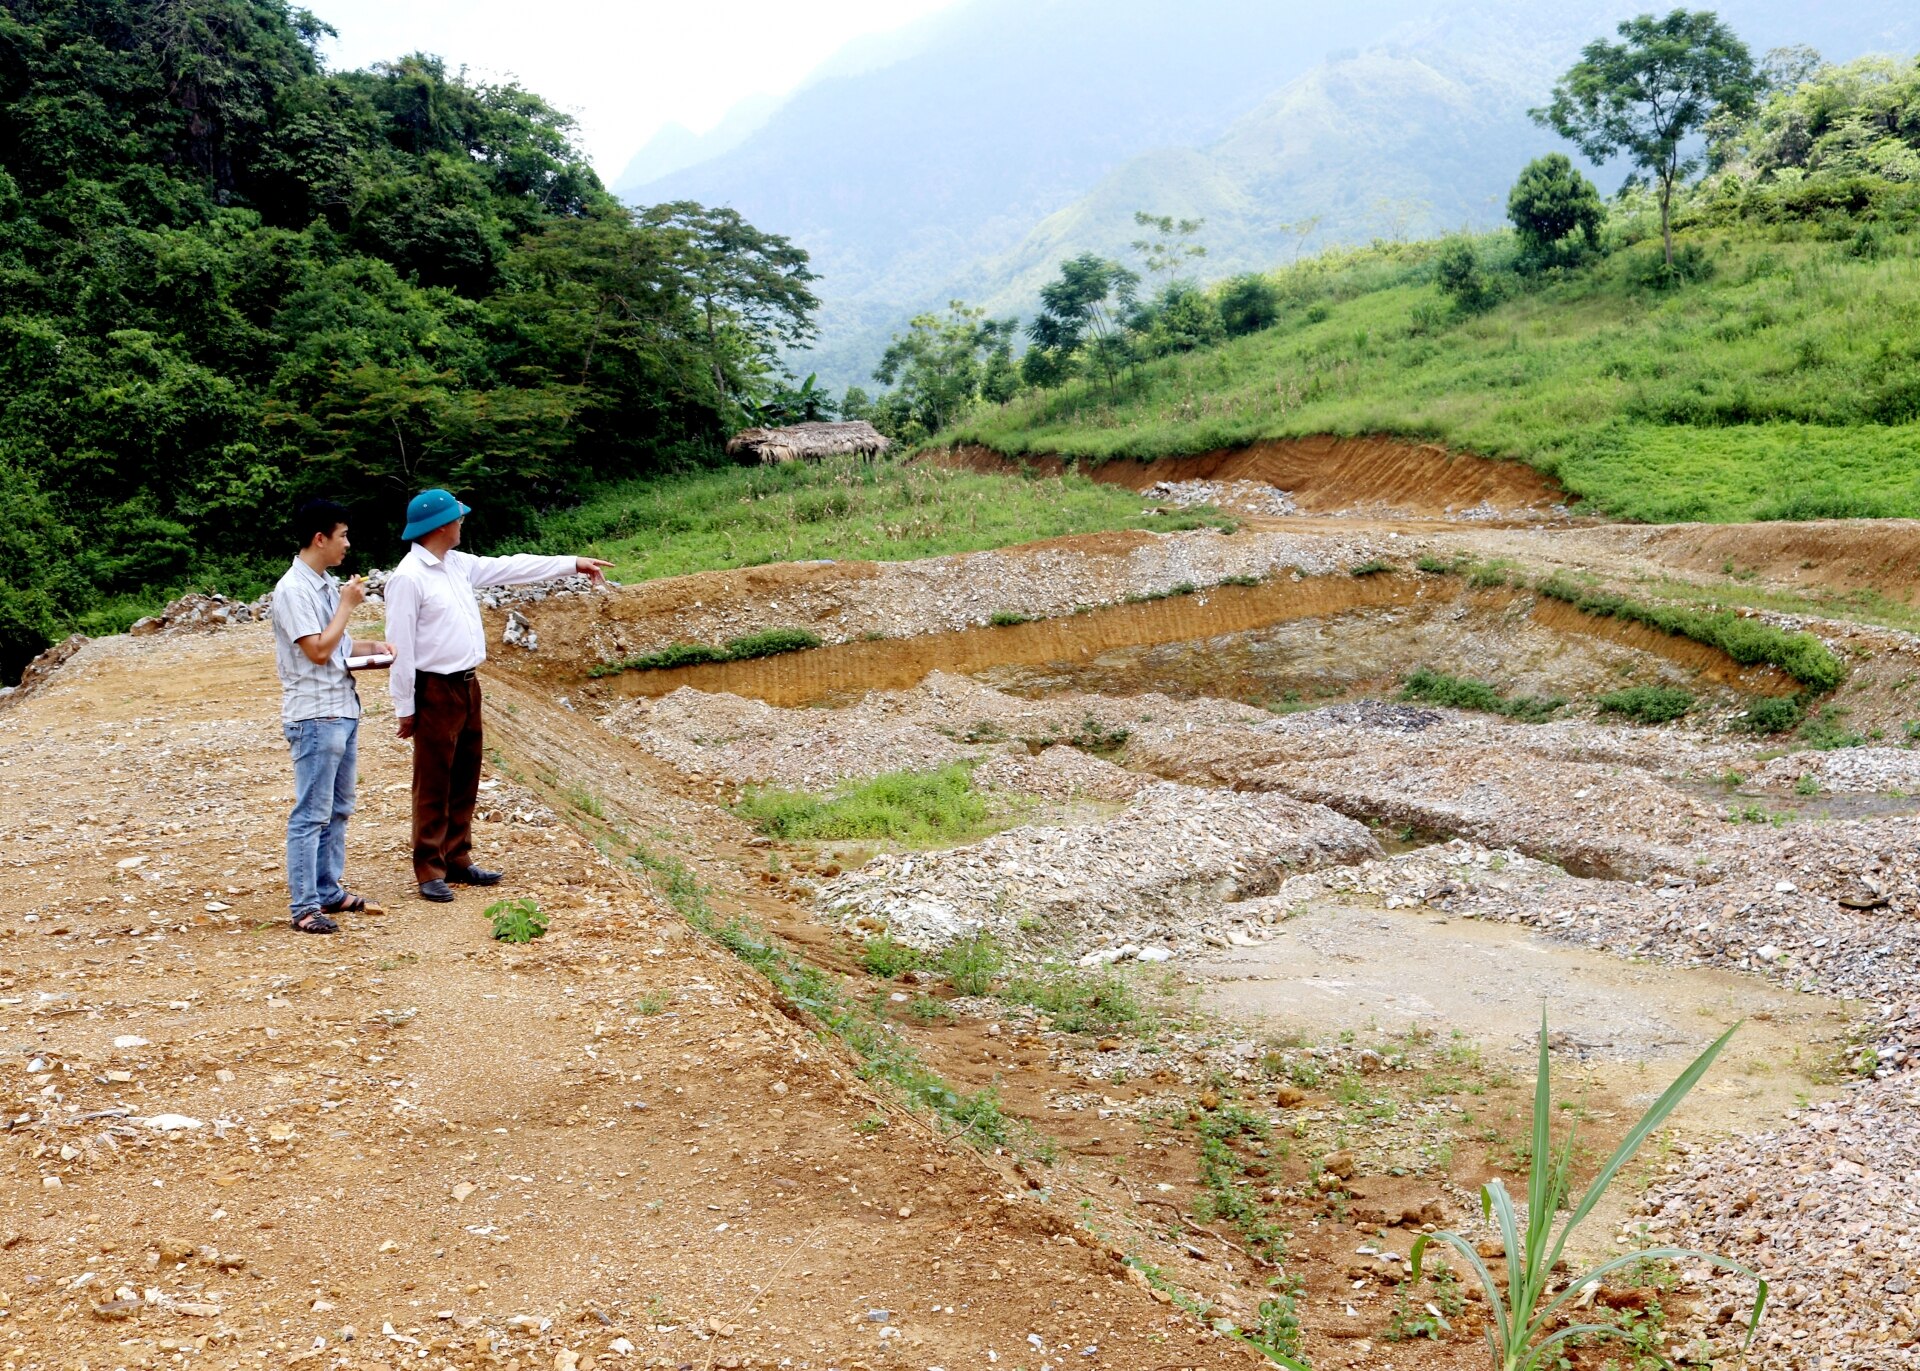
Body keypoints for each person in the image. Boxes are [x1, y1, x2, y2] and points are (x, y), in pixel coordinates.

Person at [385, 489, 613, 902]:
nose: (462, 523)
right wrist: (406, 707)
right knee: (434, 780)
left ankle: (457, 857)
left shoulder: (457, 564)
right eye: (457, 517)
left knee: (466, 773)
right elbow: (399, 648)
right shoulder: (408, 578)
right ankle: (429, 868)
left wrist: (572, 564)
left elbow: (511, 567)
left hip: (469, 685)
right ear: (440, 526)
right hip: (434, 688)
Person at [271, 498, 392, 935]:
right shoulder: (293, 590)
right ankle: (304, 906)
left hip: (342, 708)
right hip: (315, 714)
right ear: (320, 538)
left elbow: (336, 644)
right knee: (311, 812)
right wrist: (347, 606)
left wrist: (372, 648)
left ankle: (328, 889)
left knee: (339, 807)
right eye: (342, 535)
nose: (347, 544)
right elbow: (318, 650)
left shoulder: (324, 583)